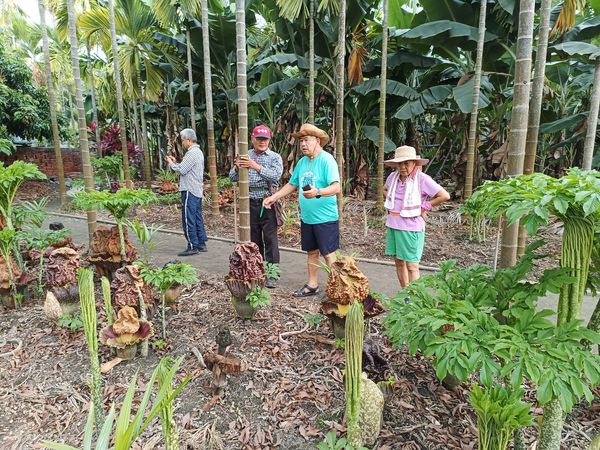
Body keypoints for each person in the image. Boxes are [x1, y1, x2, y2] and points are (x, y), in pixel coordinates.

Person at [263, 123, 340, 297]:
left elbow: (336, 187)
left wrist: (318, 192)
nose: (303, 144)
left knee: (328, 254)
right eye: (301, 141)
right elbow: (292, 184)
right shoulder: (302, 162)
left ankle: (337, 288)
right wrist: (274, 197)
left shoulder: (327, 160)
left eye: (306, 140)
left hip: (325, 218)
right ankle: (312, 285)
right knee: (312, 252)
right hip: (308, 217)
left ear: (317, 141)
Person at [383, 145, 450, 287]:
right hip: (393, 224)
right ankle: (405, 295)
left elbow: (444, 195)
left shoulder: (422, 179)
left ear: (414, 163)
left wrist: (424, 207)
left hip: (411, 227)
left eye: (406, 163)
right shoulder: (392, 177)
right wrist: (394, 201)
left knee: (412, 265)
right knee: (399, 262)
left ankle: (415, 299)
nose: (402, 167)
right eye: (399, 163)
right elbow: (385, 190)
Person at [229, 125, 283, 288]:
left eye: (265, 139)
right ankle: (256, 271)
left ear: (269, 140)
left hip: (267, 202)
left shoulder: (274, 157)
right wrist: (238, 166)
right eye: (259, 139)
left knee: (270, 240)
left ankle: (272, 274)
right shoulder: (246, 155)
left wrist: (255, 166)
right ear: (252, 139)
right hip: (248, 203)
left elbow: (276, 176)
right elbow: (232, 177)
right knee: (254, 240)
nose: (262, 142)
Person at [166, 128, 208, 256]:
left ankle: (192, 245)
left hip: (189, 189)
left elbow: (182, 170)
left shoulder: (192, 153)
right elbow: (186, 168)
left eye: (183, 140)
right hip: (196, 189)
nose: (183, 143)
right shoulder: (198, 152)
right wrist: (176, 163)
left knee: (188, 218)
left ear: (189, 140)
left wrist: (171, 164)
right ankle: (201, 243)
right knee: (196, 217)